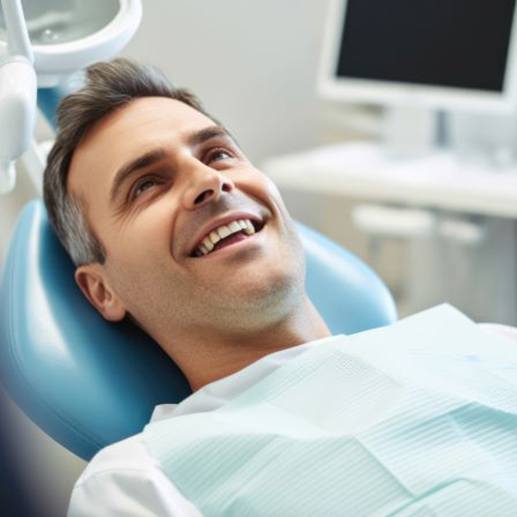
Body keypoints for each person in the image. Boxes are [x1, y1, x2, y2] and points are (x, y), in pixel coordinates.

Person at [43, 59, 517, 516]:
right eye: (146, 185)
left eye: (218, 154)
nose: (210, 181)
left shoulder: (486, 342)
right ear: (103, 291)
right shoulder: (142, 482)